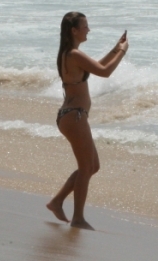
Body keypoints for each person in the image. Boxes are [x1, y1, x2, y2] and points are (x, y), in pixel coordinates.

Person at [46, 12, 128, 230]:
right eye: (85, 26)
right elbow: (105, 71)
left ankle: (57, 201)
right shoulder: (73, 54)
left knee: (92, 166)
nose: (88, 30)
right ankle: (78, 218)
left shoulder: (70, 54)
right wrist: (122, 51)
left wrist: (114, 48)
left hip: (72, 116)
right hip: (75, 116)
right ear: (74, 30)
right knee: (86, 167)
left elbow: (96, 65)